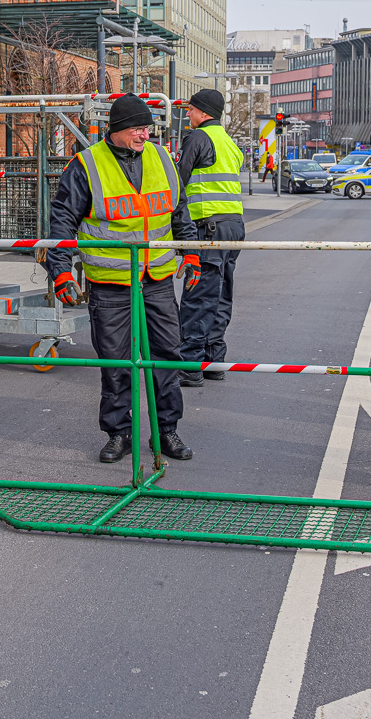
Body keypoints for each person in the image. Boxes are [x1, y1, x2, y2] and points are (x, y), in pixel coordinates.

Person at [47, 94, 200, 463]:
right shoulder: (86, 165)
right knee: (115, 362)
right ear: (115, 130)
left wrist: (192, 254)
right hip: (110, 283)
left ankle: (167, 432)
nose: (143, 135)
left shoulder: (163, 158)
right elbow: (62, 221)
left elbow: (179, 211)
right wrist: (61, 271)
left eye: (147, 128)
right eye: (136, 128)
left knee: (165, 357)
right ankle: (119, 433)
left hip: (157, 279)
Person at [176, 88, 245, 387]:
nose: (188, 114)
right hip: (233, 227)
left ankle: (190, 364)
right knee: (220, 294)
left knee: (198, 294)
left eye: (191, 110)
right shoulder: (230, 143)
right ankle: (214, 360)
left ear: (203, 112)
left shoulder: (197, 138)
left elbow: (178, 181)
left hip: (208, 227)